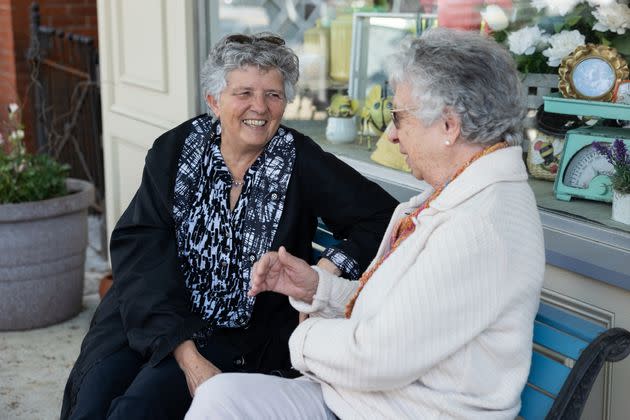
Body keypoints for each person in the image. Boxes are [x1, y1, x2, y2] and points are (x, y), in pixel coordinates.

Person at [186, 28, 545, 419]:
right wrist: (318, 287)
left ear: (448, 126)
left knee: (219, 402)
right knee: (219, 398)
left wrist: (300, 335)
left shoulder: (477, 228)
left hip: (400, 410)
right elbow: (399, 315)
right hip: (361, 400)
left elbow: (377, 356)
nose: (390, 135)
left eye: (399, 117)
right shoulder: (460, 194)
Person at [60, 33, 398, 420]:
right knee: (93, 399)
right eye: (244, 93)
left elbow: (385, 217)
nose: (260, 107)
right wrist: (187, 356)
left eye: (273, 94)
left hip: (237, 333)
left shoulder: (299, 160)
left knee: (137, 409)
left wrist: (331, 266)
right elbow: (140, 252)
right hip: (152, 311)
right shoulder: (175, 151)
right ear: (213, 101)